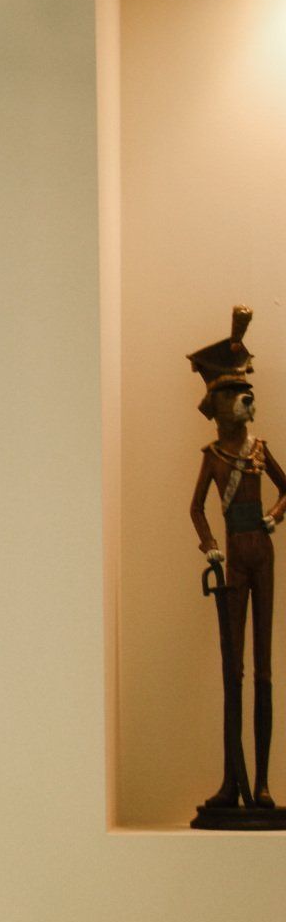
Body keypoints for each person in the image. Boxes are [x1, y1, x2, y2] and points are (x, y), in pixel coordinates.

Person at [188, 307, 286, 814]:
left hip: (262, 556)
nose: (246, 399)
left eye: (246, 393)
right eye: (234, 392)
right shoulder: (213, 456)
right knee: (234, 671)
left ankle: (263, 784)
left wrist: (274, 516)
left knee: (264, 670)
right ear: (217, 402)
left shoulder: (258, 450)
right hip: (233, 563)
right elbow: (195, 509)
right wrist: (210, 545)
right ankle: (233, 782)